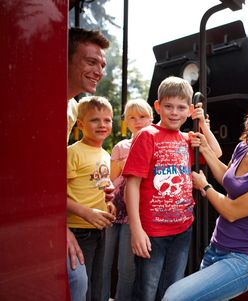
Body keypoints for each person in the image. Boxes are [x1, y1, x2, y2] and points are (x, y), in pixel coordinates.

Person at [163, 89, 248, 301]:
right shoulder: (243, 148)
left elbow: (232, 211)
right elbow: (228, 178)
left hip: (245, 259)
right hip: (216, 248)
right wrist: (205, 147)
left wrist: (205, 186)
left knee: (174, 297)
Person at [122, 76, 222, 300]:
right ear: (158, 106)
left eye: (181, 107)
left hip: (182, 229)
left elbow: (216, 154)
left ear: (189, 111)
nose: (174, 112)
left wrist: (203, 125)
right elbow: (132, 184)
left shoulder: (189, 139)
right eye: (168, 106)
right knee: (147, 290)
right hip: (152, 232)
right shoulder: (147, 135)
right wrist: (136, 230)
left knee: (173, 289)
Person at [67, 27, 110, 301]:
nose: (99, 70)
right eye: (91, 61)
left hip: (96, 228)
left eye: (102, 64)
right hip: (73, 224)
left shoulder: (71, 106)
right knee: (77, 279)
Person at [101, 99, 154, 301]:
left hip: (134, 213)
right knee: (104, 261)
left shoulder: (154, 144)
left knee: (126, 265)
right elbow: (112, 178)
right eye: (132, 117)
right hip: (113, 208)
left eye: (142, 117)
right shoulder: (121, 146)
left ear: (151, 118)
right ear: (126, 122)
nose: (137, 121)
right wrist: (124, 162)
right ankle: (100, 296)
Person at [67, 96, 117, 301]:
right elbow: (54, 196)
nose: (102, 125)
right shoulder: (72, 153)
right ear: (80, 124)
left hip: (100, 228)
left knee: (99, 282)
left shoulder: (105, 154)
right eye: (95, 120)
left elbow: (100, 187)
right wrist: (86, 212)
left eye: (107, 120)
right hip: (78, 229)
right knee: (84, 285)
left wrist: (109, 203)